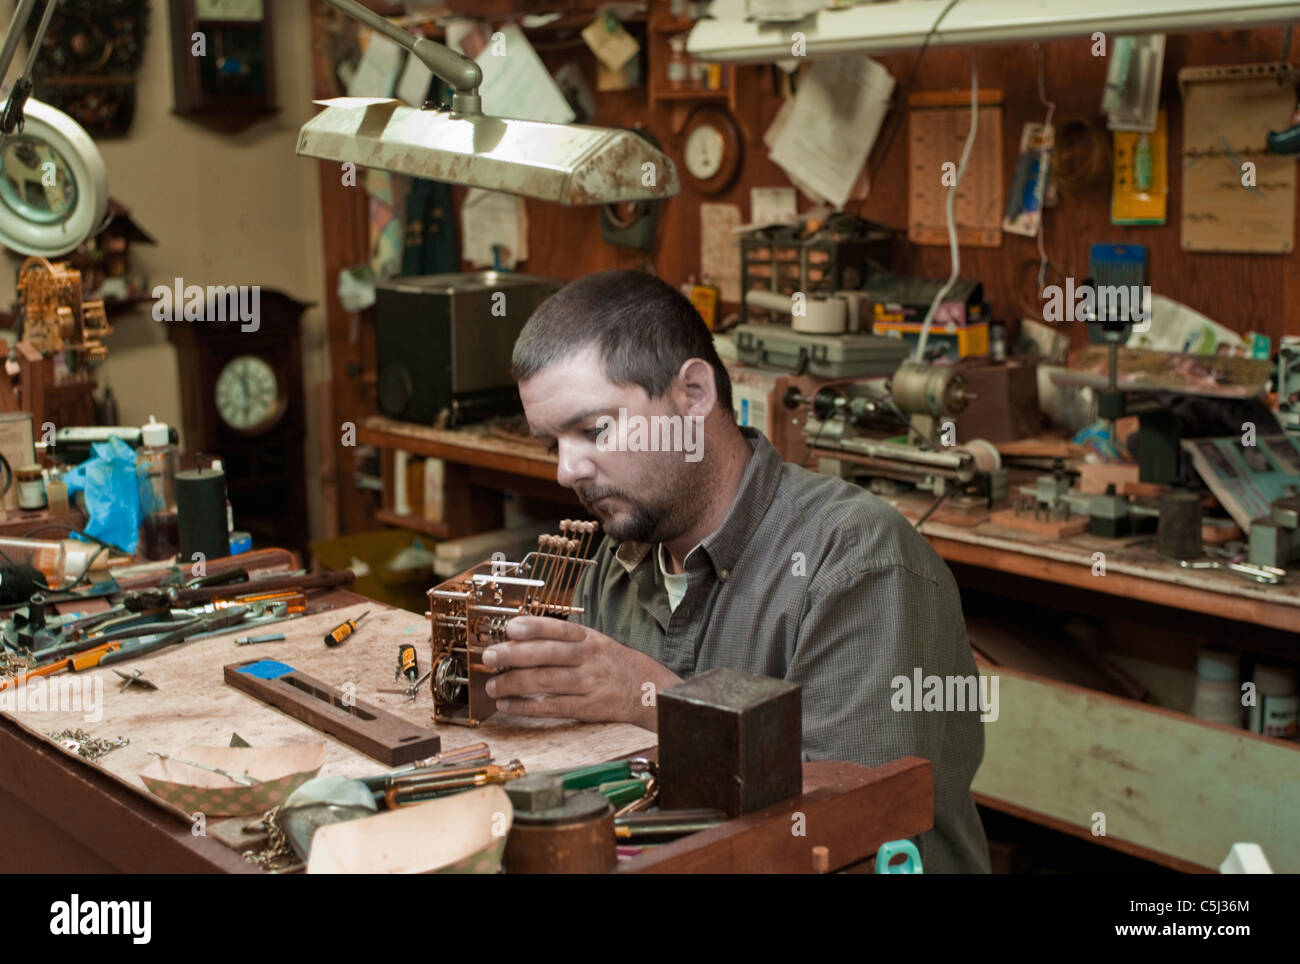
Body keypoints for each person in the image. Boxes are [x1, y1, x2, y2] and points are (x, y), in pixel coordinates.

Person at [483, 268, 990, 874]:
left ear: (694, 395)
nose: (567, 471)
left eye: (594, 430)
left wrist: (652, 698)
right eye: (552, 445)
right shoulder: (619, 550)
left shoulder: (858, 560)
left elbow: (855, 823)